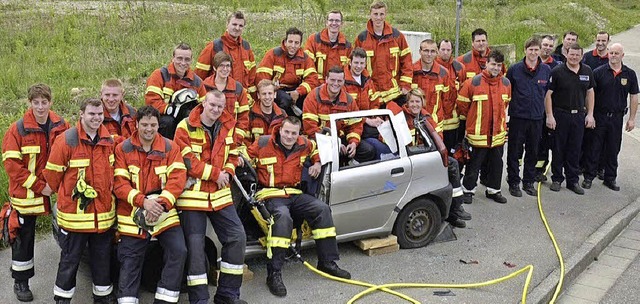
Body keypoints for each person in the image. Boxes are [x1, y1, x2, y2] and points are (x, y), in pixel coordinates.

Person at [247, 116, 351, 297]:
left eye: (293, 133)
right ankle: (274, 273)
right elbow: (243, 157)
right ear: (280, 130)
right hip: (270, 194)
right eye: (286, 132)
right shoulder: (263, 143)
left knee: (322, 210)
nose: (289, 136)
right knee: (283, 218)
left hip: (294, 193)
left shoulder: (304, 143)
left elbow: (315, 150)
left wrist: (317, 163)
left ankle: (327, 262)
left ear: (299, 134)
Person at [173, 90, 247, 304]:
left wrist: (229, 172)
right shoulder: (184, 127)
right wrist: (217, 174)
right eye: (212, 105)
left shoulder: (228, 126)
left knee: (237, 237)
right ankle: (200, 300)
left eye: (219, 106)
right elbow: (187, 162)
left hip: (220, 196)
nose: (215, 110)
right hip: (193, 197)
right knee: (196, 249)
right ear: (204, 103)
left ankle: (227, 295)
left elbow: (233, 153)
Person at [43, 98, 116, 304]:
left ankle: (102, 297)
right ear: (81, 114)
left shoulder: (108, 140)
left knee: (102, 260)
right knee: (70, 261)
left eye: (100, 114)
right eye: (92, 114)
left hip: (102, 217)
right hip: (75, 218)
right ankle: (62, 298)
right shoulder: (67, 140)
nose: (96, 118)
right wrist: (69, 195)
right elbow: (52, 176)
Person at [113, 105, 188, 304]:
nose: (148, 129)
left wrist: (161, 205)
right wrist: (144, 203)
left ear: (158, 126)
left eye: (153, 125)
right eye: (144, 124)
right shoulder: (123, 149)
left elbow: (177, 180)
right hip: (132, 214)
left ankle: (164, 299)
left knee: (179, 250)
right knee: (130, 260)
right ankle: (127, 300)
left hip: (164, 213)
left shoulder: (170, 148)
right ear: (136, 125)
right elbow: (119, 184)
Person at [2, 84, 69, 302]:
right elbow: (12, 166)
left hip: (57, 189)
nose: (40, 107)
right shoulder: (17, 129)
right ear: (29, 103)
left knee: (70, 233)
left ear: (51, 102)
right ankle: (21, 281)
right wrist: (41, 187)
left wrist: (57, 185)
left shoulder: (62, 125)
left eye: (44, 102)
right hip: (27, 194)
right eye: (36, 102)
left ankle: (68, 280)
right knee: (24, 237)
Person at [386, 89, 471, 227]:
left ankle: (455, 210)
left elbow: (439, 138)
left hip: (425, 157)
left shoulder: (426, 118)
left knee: (452, 166)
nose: (414, 105)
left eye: (417, 101)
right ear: (407, 103)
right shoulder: (400, 118)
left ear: (422, 102)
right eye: (412, 101)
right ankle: (451, 211)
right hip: (409, 159)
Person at [457, 50, 512, 204]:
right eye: (493, 64)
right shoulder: (473, 82)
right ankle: (468, 190)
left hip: (497, 135)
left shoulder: (506, 84)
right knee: (473, 165)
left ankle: (494, 190)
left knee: (496, 163)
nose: (496, 68)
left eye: (499, 65)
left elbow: (505, 105)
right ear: (486, 63)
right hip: (477, 134)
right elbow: (462, 106)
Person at [582, 43, 638, 191]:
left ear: (622, 55)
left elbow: (634, 97)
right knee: (594, 147)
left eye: (616, 53)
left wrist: (632, 119)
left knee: (613, 148)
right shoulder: (599, 72)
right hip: (599, 116)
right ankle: (588, 177)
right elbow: (590, 94)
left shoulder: (629, 74)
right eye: (611, 53)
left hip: (617, 117)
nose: (613, 56)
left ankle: (610, 178)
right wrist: (590, 114)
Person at [545, 44, 596, 194]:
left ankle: (572, 181)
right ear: (566, 54)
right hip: (561, 114)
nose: (574, 57)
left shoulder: (587, 71)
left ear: (581, 56)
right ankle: (556, 179)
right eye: (571, 54)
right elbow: (548, 95)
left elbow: (590, 93)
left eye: (577, 55)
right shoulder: (557, 71)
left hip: (579, 115)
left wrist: (590, 113)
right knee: (558, 148)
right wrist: (550, 115)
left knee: (575, 148)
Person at [505, 37, 551, 197]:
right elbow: (507, 93)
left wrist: (549, 115)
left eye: (536, 50)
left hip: (537, 118)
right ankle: (513, 182)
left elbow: (547, 95)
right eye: (530, 49)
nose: (533, 52)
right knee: (514, 152)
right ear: (525, 50)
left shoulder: (546, 70)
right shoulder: (514, 70)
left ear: (540, 51)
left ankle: (528, 181)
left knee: (533, 151)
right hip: (518, 117)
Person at [302, 66, 377, 163]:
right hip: (320, 140)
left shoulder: (349, 100)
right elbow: (311, 129)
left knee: (368, 151)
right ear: (326, 79)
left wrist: (353, 143)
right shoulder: (313, 97)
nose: (336, 84)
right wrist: (335, 143)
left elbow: (355, 125)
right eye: (332, 80)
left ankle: (350, 167)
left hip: (341, 139)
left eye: (339, 81)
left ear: (343, 81)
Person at [354, 1, 412, 105]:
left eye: (381, 14)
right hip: (372, 95)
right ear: (370, 15)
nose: (378, 17)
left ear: (385, 15)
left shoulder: (397, 36)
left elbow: (407, 62)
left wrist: (405, 85)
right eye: (375, 14)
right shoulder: (362, 39)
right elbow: (355, 66)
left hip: (395, 94)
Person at [145, 43, 207, 139]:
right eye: (179, 58)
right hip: (162, 118)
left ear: (191, 60)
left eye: (187, 59)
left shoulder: (197, 82)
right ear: (173, 58)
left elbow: (204, 105)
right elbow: (151, 102)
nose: (183, 63)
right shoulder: (159, 75)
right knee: (167, 121)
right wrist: (169, 109)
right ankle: (165, 150)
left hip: (185, 119)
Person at [256, 27, 319, 117]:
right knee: (285, 100)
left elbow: (312, 80)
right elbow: (261, 78)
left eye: (296, 43)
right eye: (290, 42)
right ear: (285, 42)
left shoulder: (305, 58)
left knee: (309, 99)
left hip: (296, 90)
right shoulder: (273, 54)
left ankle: (300, 125)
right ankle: (279, 120)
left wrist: (298, 92)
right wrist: (272, 88)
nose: (293, 45)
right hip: (276, 90)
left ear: (300, 44)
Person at [195, 11, 257, 96]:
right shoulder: (214, 46)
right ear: (227, 24)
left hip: (242, 98)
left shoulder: (246, 48)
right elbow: (199, 76)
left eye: (241, 26)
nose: (237, 28)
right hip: (219, 99)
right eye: (234, 24)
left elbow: (252, 78)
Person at [203, 52, 251, 146]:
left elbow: (243, 118)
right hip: (208, 135)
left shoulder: (238, 88)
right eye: (221, 65)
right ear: (214, 68)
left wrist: (236, 140)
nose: (225, 69)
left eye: (228, 66)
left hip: (231, 137)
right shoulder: (205, 86)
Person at [535, 35, 562, 181]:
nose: (547, 48)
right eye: (545, 45)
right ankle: (530, 169)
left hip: (549, 111)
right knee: (534, 142)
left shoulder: (556, 67)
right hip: (533, 110)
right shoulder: (531, 62)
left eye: (550, 46)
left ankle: (540, 170)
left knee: (545, 142)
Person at [343, 47, 383, 143]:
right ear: (350, 62)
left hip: (367, 122)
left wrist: (376, 118)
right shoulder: (343, 81)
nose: (359, 66)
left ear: (365, 64)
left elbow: (374, 102)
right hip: (351, 125)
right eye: (356, 63)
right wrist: (366, 121)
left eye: (362, 63)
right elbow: (346, 111)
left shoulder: (367, 80)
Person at [304, 10, 352, 83]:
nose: (334, 23)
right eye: (331, 20)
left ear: (342, 24)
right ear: (326, 22)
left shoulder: (347, 46)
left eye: (337, 21)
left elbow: (349, 72)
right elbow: (308, 66)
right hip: (316, 85)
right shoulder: (313, 40)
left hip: (338, 86)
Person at [411, 39, 449, 133]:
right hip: (414, 124)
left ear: (436, 53)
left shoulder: (443, 73)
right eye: (426, 51)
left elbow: (447, 100)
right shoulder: (411, 71)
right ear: (420, 52)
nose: (429, 54)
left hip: (435, 126)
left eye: (432, 51)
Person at [435, 39, 466, 151]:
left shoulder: (459, 68)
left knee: (452, 154)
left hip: (454, 122)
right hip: (437, 122)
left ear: (452, 50)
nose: (445, 52)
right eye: (443, 49)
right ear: (437, 50)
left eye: (448, 50)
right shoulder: (432, 67)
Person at [246, 79, 287, 146]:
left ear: (275, 94)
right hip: (256, 154)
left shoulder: (282, 114)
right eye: (264, 94)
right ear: (258, 95)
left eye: (270, 93)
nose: (267, 97)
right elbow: (246, 141)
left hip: (276, 154)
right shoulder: (250, 114)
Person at [100, 78, 137, 144]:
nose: (111, 99)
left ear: (122, 95)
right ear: (101, 95)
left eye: (115, 95)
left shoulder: (133, 113)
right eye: (107, 95)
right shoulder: (94, 116)